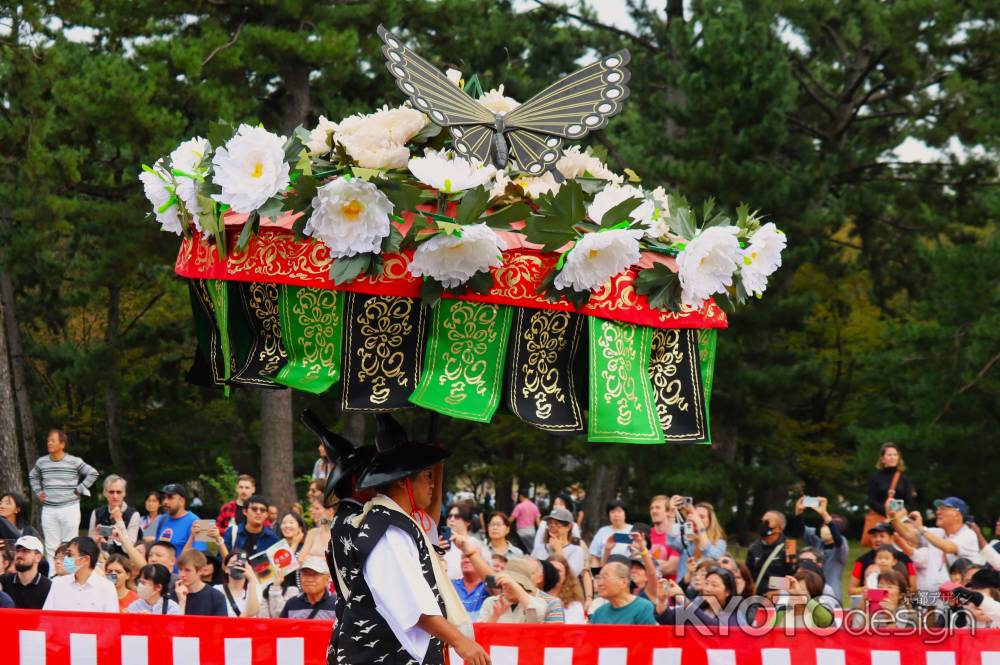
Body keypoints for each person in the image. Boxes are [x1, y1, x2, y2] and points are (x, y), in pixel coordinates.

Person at [336, 414, 489, 665]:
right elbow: (414, 607)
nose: (431, 484)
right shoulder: (388, 530)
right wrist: (462, 643)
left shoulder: (392, 522)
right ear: (403, 480)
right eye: (426, 476)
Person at [28, 429, 99, 563]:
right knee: (50, 546)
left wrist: (80, 489)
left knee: (70, 545)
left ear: (62, 444)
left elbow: (93, 473)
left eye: (53, 440)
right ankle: (53, 578)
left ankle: (70, 576)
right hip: (49, 509)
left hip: (70, 507)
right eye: (48, 440)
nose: (49, 443)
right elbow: (32, 476)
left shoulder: (74, 461)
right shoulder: (41, 462)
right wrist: (38, 492)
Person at [42, 536, 119, 612]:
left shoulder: (107, 587)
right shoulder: (58, 583)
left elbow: (111, 622)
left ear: (85, 559)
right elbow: (46, 619)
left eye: (69, 555)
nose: (66, 559)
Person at [863, 442, 915, 547]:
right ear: (882, 458)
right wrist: (887, 515)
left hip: (901, 521)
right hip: (881, 519)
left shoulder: (904, 479)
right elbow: (871, 501)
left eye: (895, 455)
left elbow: (910, 502)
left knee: (902, 549)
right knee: (881, 550)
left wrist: (895, 516)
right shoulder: (875, 478)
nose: (892, 457)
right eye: (889, 454)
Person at [849, 522, 916, 594]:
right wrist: (865, 589)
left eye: (882, 536)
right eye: (874, 536)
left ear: (891, 538)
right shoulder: (862, 561)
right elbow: (851, 590)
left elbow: (913, 588)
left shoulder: (906, 559)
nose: (878, 539)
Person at [478, 557, 550, 623]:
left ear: (524, 585)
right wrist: (495, 615)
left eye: (515, 583)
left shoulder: (538, 602)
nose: (508, 586)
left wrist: (513, 584)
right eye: (505, 582)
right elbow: (480, 633)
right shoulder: (490, 602)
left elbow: (536, 618)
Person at [589, 561, 657, 625]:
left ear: (624, 582)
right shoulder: (599, 613)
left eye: (605, 577)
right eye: (598, 578)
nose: (600, 583)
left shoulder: (643, 607)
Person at [88, 475, 142, 554]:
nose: (115, 496)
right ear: (105, 493)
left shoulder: (134, 514)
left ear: (124, 493)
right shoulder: (96, 513)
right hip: (101, 559)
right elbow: (89, 545)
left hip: (123, 561)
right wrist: (96, 542)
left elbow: (128, 549)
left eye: (119, 492)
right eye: (111, 492)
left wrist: (119, 520)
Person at [218, 494, 280, 559]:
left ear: (266, 514)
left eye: (262, 510)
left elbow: (276, 566)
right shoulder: (232, 532)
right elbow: (221, 561)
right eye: (254, 509)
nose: (258, 512)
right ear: (245, 511)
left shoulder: (272, 538)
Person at [153, 483, 199, 568]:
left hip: (181, 577)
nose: (165, 502)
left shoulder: (197, 522)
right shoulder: (161, 519)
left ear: (182, 501)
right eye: (164, 498)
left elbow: (200, 558)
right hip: (160, 575)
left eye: (170, 497)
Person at [0, 536, 51, 608]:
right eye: (17, 551)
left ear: (38, 557)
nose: (19, 555)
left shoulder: (48, 587)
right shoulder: (4, 581)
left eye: (25, 551)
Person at [532, 508, 586, 576]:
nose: (552, 526)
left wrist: (558, 550)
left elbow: (571, 575)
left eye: (557, 524)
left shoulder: (576, 551)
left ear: (569, 527)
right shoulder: (539, 548)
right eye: (550, 523)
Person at [175, 549, 227, 616]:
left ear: (200, 571)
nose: (182, 574)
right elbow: (171, 626)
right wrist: (181, 602)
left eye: (187, 570)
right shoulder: (172, 595)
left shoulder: (216, 597)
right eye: (180, 569)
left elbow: (221, 625)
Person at [443, 503, 487, 579]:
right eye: (449, 516)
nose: (452, 519)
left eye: (457, 517)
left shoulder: (475, 544)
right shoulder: (440, 543)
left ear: (468, 522)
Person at [214, 550, 260, 617]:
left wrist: (252, 580)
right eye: (233, 563)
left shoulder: (255, 588)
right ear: (226, 569)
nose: (238, 566)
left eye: (242, 564)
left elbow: (251, 613)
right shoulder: (217, 589)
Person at [647, 495, 682, 579]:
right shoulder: (645, 534)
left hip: (669, 589)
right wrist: (662, 563)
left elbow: (671, 568)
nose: (654, 511)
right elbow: (637, 564)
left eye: (658, 508)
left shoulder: (676, 534)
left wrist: (648, 563)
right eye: (652, 508)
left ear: (668, 512)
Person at [591, 499, 633, 566]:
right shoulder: (602, 532)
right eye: (612, 512)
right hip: (606, 571)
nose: (616, 515)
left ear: (625, 513)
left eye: (619, 511)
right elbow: (595, 557)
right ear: (609, 515)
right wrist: (596, 574)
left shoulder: (633, 531)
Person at [548, 553, 586, 623]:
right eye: (550, 569)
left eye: (558, 571)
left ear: (566, 575)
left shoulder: (574, 604)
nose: (554, 573)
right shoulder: (535, 596)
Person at [452, 554, 488, 619]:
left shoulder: (489, 587)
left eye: (471, 557)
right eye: (463, 557)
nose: (466, 560)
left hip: (479, 628)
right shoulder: (451, 584)